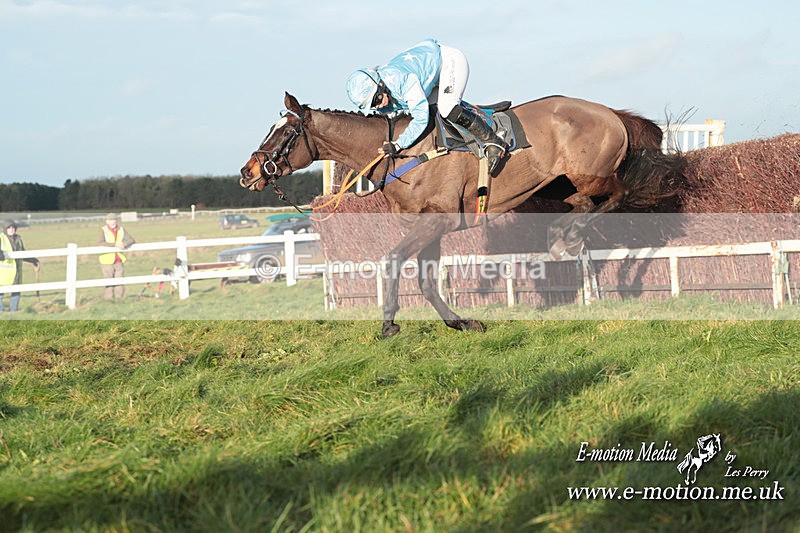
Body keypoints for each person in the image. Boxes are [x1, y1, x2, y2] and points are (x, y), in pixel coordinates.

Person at [346, 38, 508, 174]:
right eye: (373, 105)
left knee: (447, 108)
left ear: (380, 83)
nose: (379, 104)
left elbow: (420, 119)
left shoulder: (401, 81)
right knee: (437, 109)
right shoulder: (383, 90)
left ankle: (494, 141)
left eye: (377, 98)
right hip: (430, 77)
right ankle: (478, 114)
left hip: (449, 62)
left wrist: (398, 144)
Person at [0, 220, 40, 312]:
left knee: (17, 291)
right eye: (9, 228)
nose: (12, 229)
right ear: (5, 229)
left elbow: (23, 253)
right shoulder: (1, 238)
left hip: (17, 272)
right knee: (0, 292)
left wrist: (33, 260)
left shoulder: (18, 239)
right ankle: (1, 311)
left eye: (13, 227)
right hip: (3, 273)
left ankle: (13, 311)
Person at [98, 213, 135, 300]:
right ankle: (109, 300)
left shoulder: (121, 229)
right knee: (109, 281)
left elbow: (132, 240)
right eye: (110, 220)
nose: (113, 222)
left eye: (114, 220)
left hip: (118, 259)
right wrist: (115, 245)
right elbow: (100, 243)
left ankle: (119, 299)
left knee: (120, 281)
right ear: (107, 221)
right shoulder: (103, 230)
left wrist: (125, 244)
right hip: (106, 260)